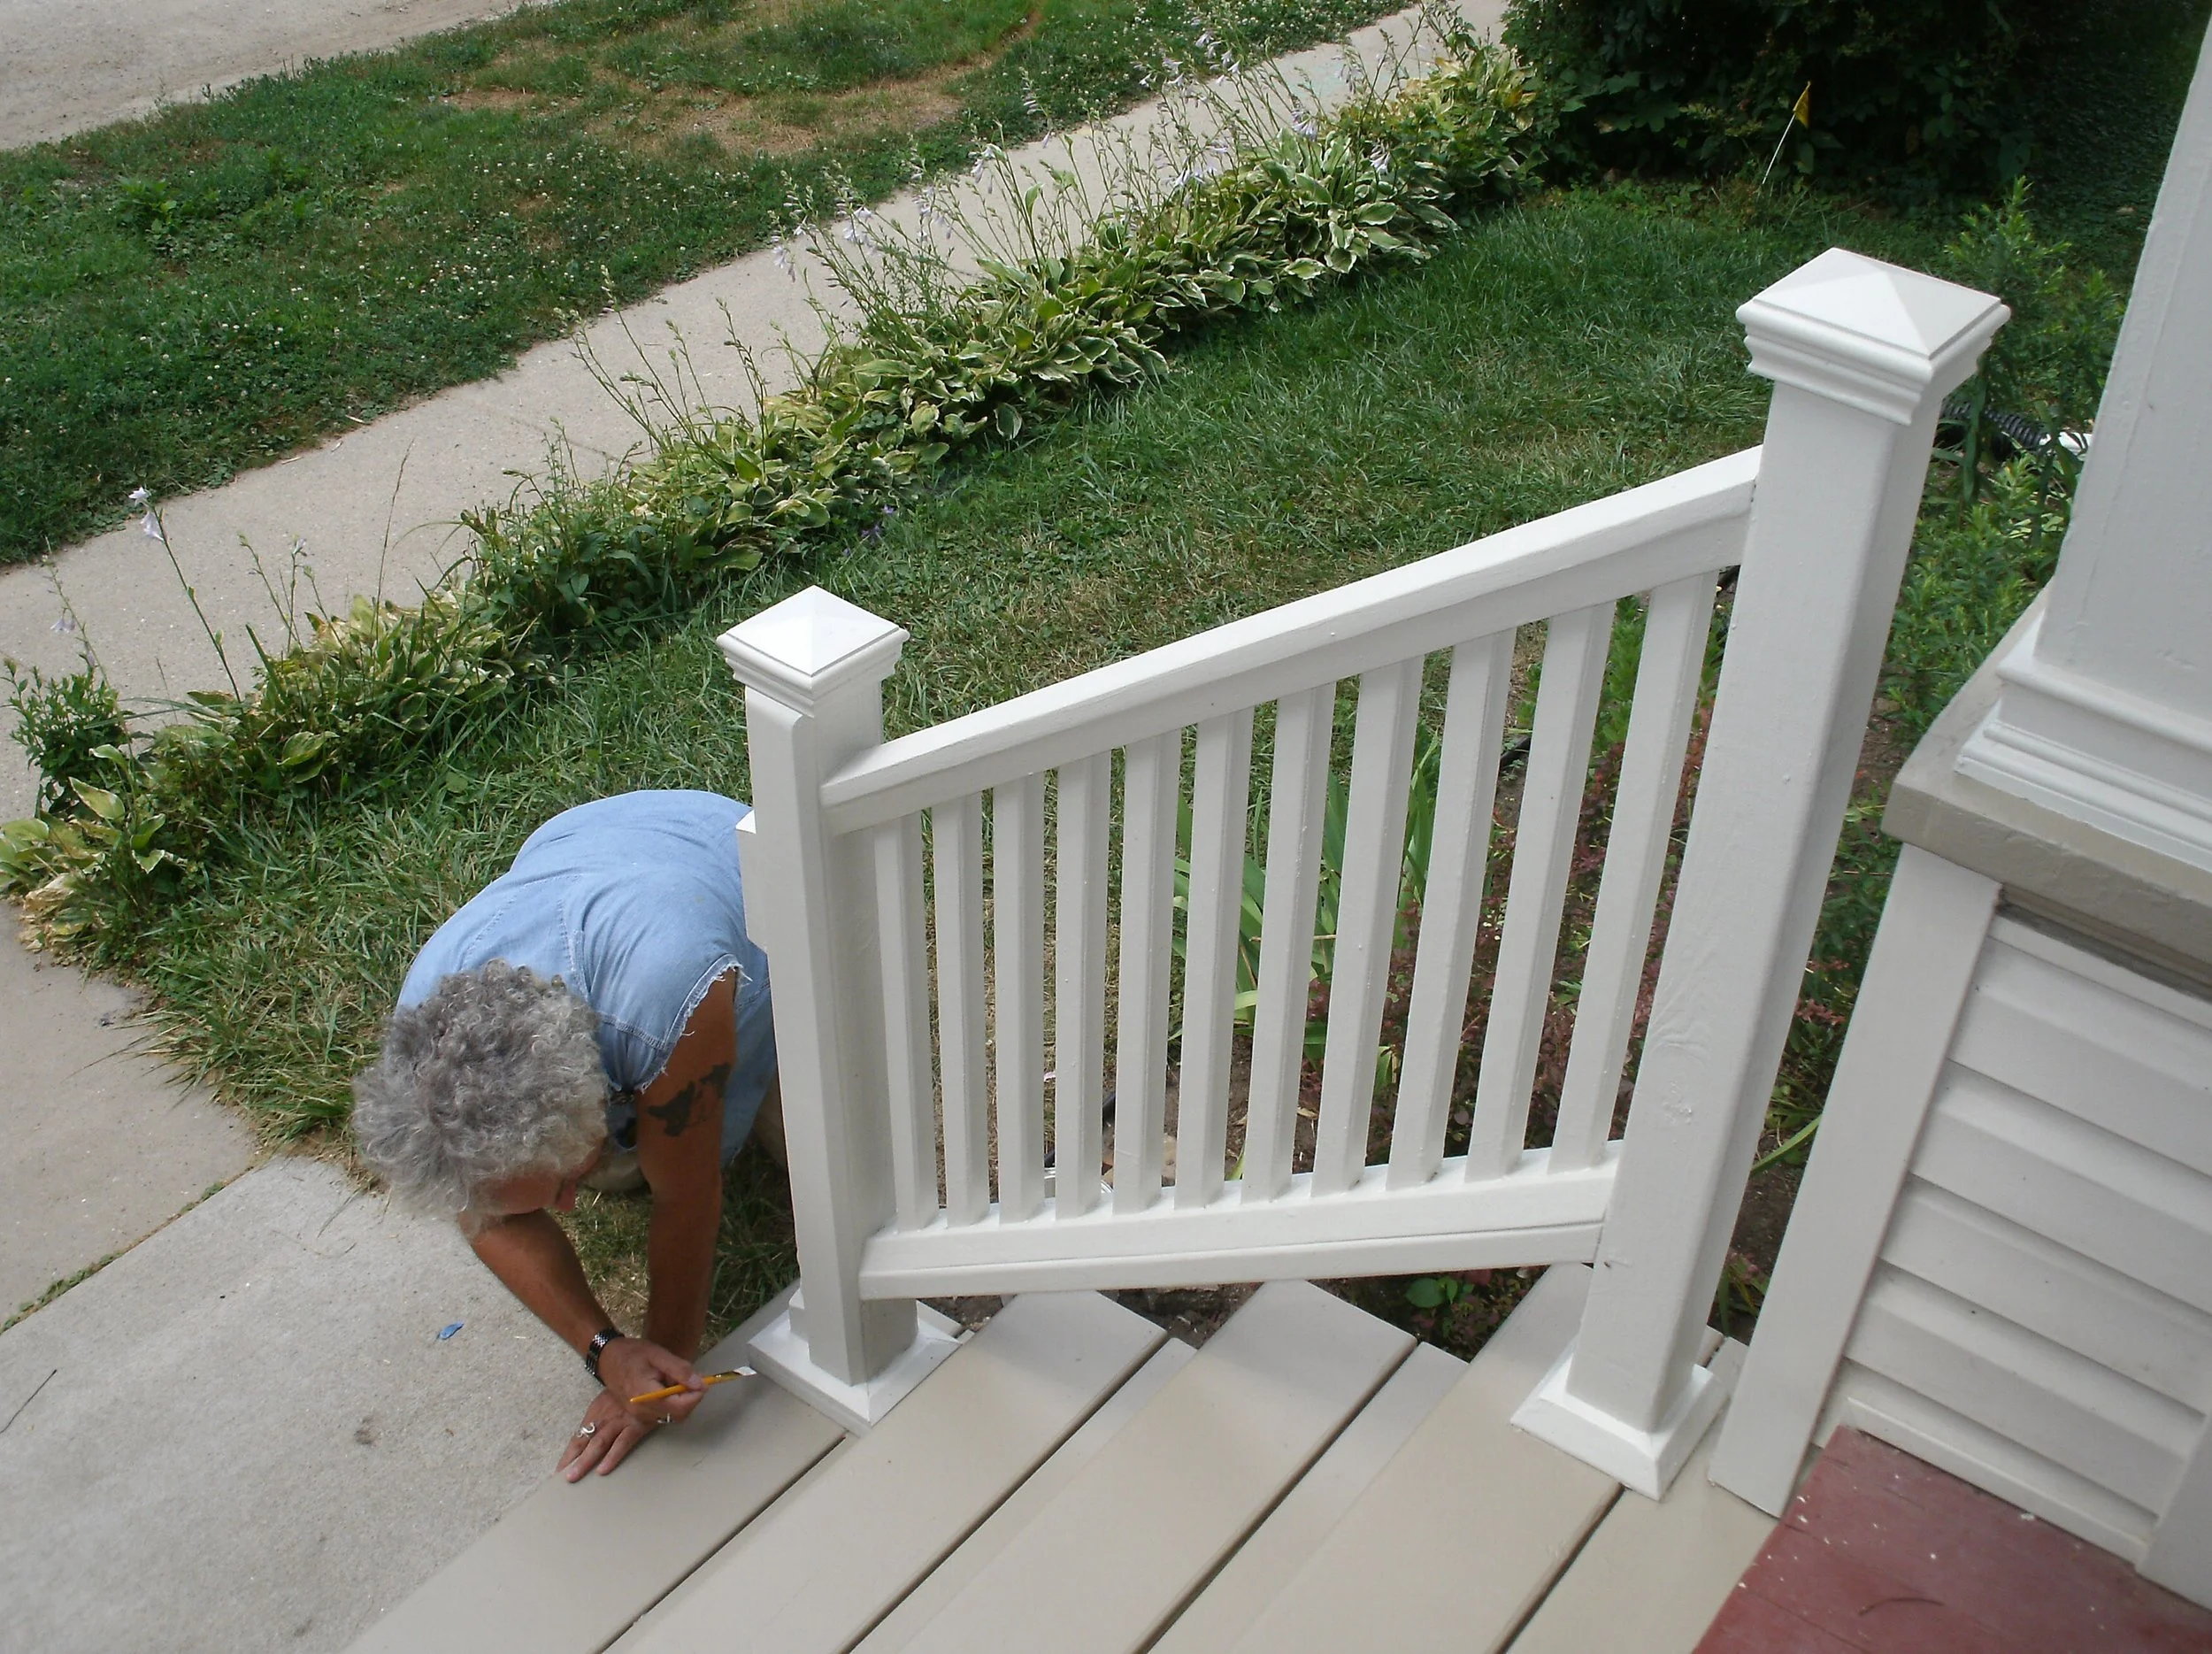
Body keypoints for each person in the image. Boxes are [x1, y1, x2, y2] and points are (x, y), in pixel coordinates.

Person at [351, 789, 783, 1481]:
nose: (570, 1210)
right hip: (598, 849)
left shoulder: (665, 994)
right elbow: (486, 1216)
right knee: (602, 1171)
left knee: (821, 1158)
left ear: (592, 1096)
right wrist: (608, 1351)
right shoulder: (426, 1052)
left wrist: (666, 1367)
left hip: (740, 871)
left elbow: (688, 1197)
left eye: (563, 1184)